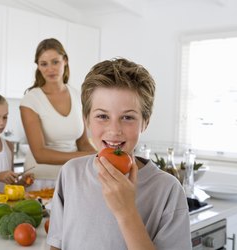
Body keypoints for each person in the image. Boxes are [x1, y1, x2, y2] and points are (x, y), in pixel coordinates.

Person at [47, 58, 191, 249]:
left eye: (127, 117)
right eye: (102, 116)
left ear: (145, 122)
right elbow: (56, 244)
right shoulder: (70, 173)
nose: (114, 130)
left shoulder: (167, 190)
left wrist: (126, 211)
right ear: (86, 119)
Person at [20, 38, 96, 190]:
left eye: (55, 62)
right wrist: (84, 157)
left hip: (73, 175)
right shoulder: (31, 100)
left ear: (65, 61)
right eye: (44, 64)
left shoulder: (77, 95)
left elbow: (82, 143)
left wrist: (102, 155)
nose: (50, 69)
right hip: (40, 180)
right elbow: (40, 154)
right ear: (38, 67)